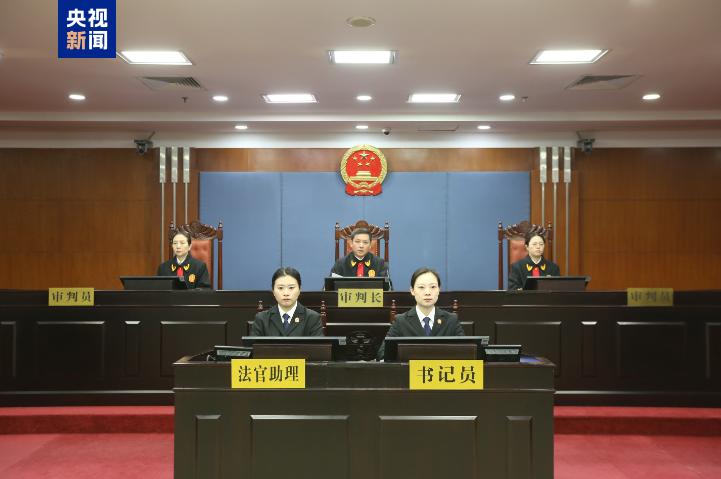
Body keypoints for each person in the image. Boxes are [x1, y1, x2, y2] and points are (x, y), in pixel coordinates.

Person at [377, 267, 463, 360]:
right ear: (412, 291)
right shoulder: (401, 321)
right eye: (421, 287)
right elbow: (382, 354)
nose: (427, 292)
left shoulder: (451, 320)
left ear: (439, 290)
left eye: (433, 287)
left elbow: (466, 351)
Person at [251, 267, 324, 336]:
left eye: (291, 288)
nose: (286, 293)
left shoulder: (312, 318)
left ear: (299, 290)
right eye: (280, 288)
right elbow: (254, 344)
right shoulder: (262, 319)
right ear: (273, 291)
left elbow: (318, 345)